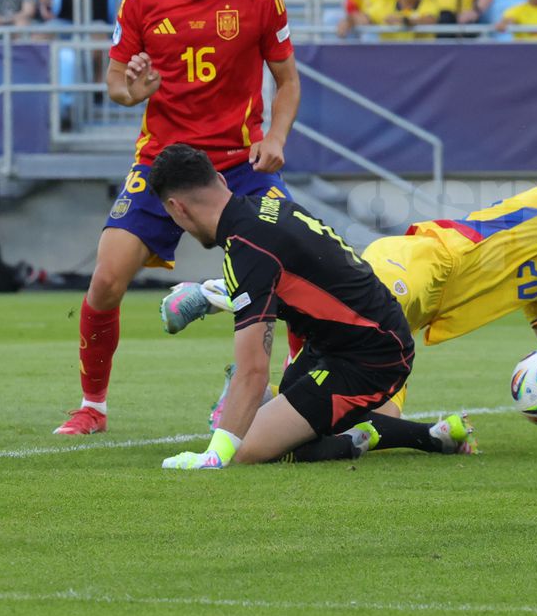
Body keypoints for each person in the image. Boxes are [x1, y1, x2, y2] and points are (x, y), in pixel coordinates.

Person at [165, 175, 537, 447]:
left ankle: (262, 397)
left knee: (365, 421)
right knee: (336, 308)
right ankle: (224, 294)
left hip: (408, 316)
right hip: (423, 262)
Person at [51, 0, 302, 436]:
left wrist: (276, 137)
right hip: (163, 164)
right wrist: (131, 92)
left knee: (296, 262)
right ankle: (93, 405)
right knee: (107, 278)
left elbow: (286, 81)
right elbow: (116, 83)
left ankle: (292, 390)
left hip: (239, 162)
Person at [148, 144, 435, 470]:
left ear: (177, 208)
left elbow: (254, 370)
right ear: (221, 181)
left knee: (245, 448)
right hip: (348, 339)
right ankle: (433, 436)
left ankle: (353, 437)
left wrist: (214, 456)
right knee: (278, 410)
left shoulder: (247, 250)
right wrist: (211, 297)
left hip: (371, 359)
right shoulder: (268, 210)